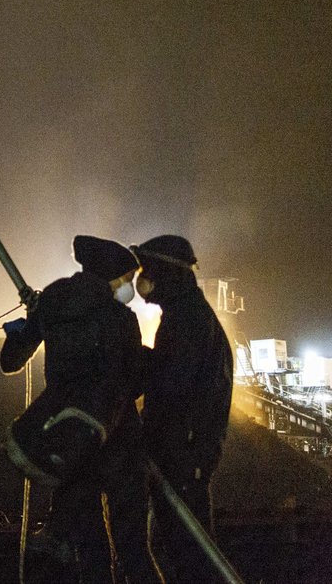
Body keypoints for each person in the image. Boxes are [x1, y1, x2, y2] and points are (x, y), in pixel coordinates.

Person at [1, 236, 160, 583]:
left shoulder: (52, 309)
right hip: (120, 444)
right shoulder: (121, 320)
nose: (130, 288)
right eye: (127, 280)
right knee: (133, 551)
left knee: (90, 554)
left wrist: (32, 319)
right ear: (111, 278)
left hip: (70, 444)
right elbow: (132, 382)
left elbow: (9, 361)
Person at [131, 235, 233, 583]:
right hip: (184, 453)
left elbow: (171, 382)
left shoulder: (187, 321)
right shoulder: (186, 315)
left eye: (147, 269)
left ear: (168, 273)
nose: (141, 279)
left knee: (190, 553)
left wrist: (130, 356)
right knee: (183, 550)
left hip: (183, 455)